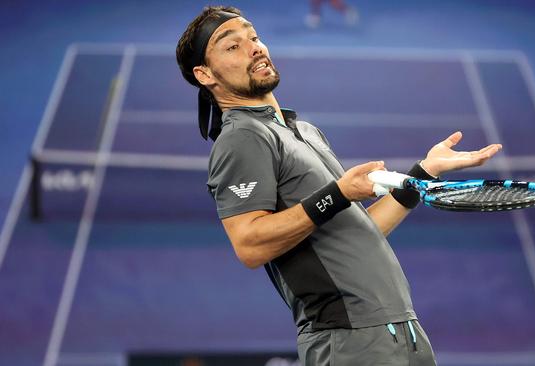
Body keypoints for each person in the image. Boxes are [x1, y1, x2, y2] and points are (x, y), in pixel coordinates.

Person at [176, 6, 501, 365]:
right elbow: (249, 245)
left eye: (253, 37)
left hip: (400, 330)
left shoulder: (304, 131)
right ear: (204, 74)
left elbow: (362, 230)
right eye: (232, 46)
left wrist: (423, 172)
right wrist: (340, 193)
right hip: (349, 340)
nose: (254, 48)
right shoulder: (242, 136)